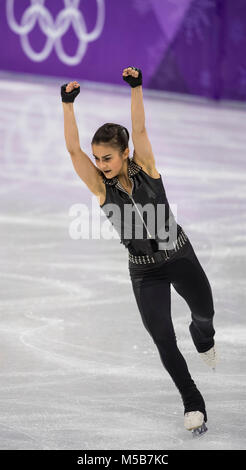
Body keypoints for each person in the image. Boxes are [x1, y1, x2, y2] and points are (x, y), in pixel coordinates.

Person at [61, 67, 217, 437]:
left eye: (107, 158)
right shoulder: (101, 188)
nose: (101, 165)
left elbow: (141, 129)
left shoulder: (146, 166)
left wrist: (137, 89)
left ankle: (204, 336)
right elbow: (72, 149)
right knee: (162, 337)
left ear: (125, 153)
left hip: (179, 255)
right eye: (97, 159)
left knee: (205, 314)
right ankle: (192, 401)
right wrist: (67, 105)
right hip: (145, 271)